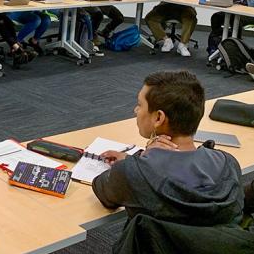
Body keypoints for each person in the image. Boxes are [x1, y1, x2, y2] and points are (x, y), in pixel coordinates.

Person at [93, 70, 243, 226]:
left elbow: (102, 189)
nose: (136, 110)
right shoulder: (229, 164)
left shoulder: (132, 172)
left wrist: (140, 159)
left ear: (159, 118)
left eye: (139, 105)